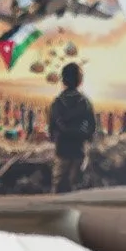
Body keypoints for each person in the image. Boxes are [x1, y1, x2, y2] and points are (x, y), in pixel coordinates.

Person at [46, 62, 96, 191]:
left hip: (62, 149)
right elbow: (92, 126)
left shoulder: (57, 102)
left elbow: (52, 127)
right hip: (79, 149)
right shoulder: (85, 102)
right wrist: (87, 137)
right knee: (77, 184)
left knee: (59, 182)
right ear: (80, 81)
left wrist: (54, 136)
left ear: (63, 80)